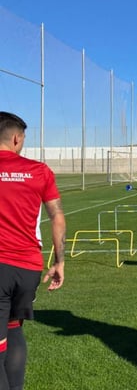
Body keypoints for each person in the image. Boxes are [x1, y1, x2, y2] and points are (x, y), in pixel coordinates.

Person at [0, 111, 66, 389]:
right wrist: (59, 262)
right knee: (13, 327)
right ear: (16, 138)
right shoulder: (39, 171)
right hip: (28, 269)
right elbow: (57, 217)